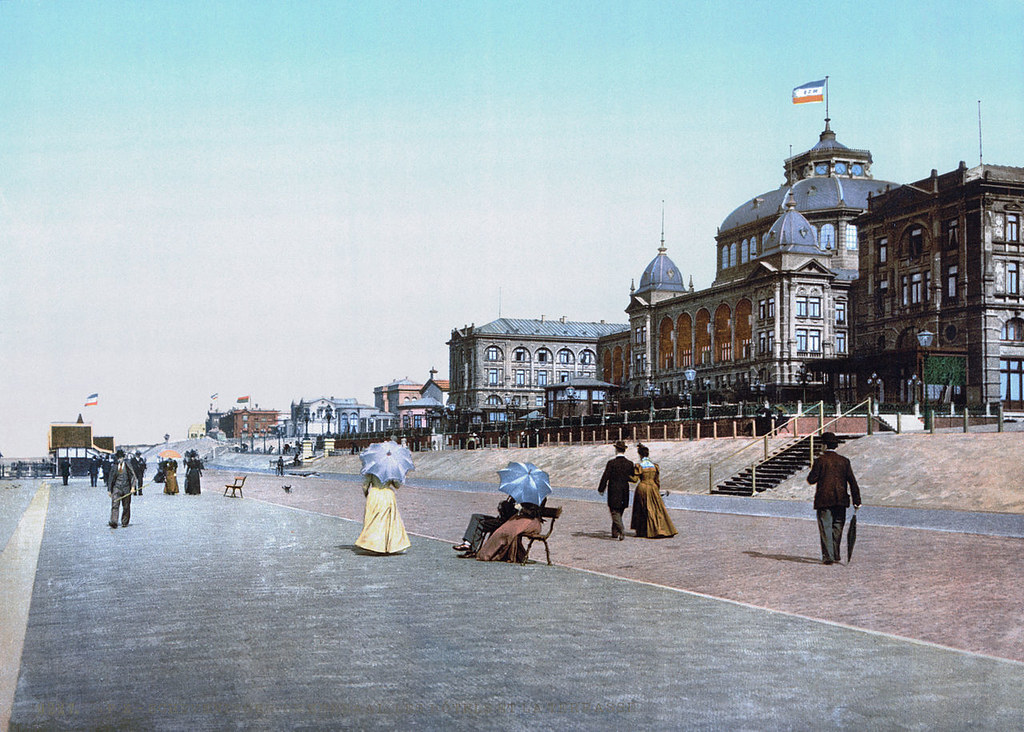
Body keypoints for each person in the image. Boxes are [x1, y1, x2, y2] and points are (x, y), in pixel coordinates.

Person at [806, 432, 861, 565]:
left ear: (824, 445)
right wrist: (857, 500)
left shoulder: (820, 461)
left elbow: (811, 480)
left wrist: (813, 469)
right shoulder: (844, 461)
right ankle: (835, 554)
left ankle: (828, 556)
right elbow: (852, 482)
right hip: (841, 499)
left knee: (826, 527)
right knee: (837, 527)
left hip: (824, 500)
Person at [630, 444, 678, 539]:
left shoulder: (639, 466)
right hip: (653, 487)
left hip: (643, 487)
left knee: (642, 509)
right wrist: (657, 490)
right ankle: (662, 528)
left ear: (640, 455)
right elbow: (657, 480)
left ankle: (643, 531)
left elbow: (635, 480)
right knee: (657, 509)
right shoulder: (654, 466)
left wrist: (626, 475)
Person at [355, 474, 411, 554]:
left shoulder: (371, 470)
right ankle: (390, 546)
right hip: (388, 495)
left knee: (374, 520)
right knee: (389, 520)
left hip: (374, 494)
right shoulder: (391, 471)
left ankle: (372, 544)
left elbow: (365, 485)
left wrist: (367, 494)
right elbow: (397, 486)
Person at [475, 502, 545, 562]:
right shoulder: (523, 495)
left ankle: (491, 554)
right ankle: (486, 553)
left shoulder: (539, 499)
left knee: (509, 532)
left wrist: (522, 508)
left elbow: (534, 513)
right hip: (520, 518)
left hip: (532, 521)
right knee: (502, 530)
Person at [452, 496, 518, 557]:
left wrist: (506, 505)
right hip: (499, 519)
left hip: (503, 522)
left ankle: (470, 548)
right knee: (475, 517)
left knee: (480, 524)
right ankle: (467, 543)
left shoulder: (520, 502)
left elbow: (511, 515)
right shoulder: (512, 497)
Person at [597, 440, 636, 540]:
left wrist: (601, 488)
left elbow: (605, 476)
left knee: (614, 511)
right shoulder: (630, 463)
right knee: (620, 510)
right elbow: (632, 477)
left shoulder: (611, 463)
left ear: (616, 450)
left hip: (614, 489)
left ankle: (621, 530)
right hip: (624, 489)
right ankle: (615, 532)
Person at [107, 449, 138, 529]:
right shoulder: (114, 467)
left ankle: (125, 522)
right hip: (116, 488)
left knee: (126, 506)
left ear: (123, 458)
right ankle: (114, 522)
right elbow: (110, 478)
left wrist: (133, 487)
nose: (119, 459)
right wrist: (109, 490)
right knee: (115, 505)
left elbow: (133, 477)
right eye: (118, 458)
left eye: (121, 458)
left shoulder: (128, 465)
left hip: (126, 488)